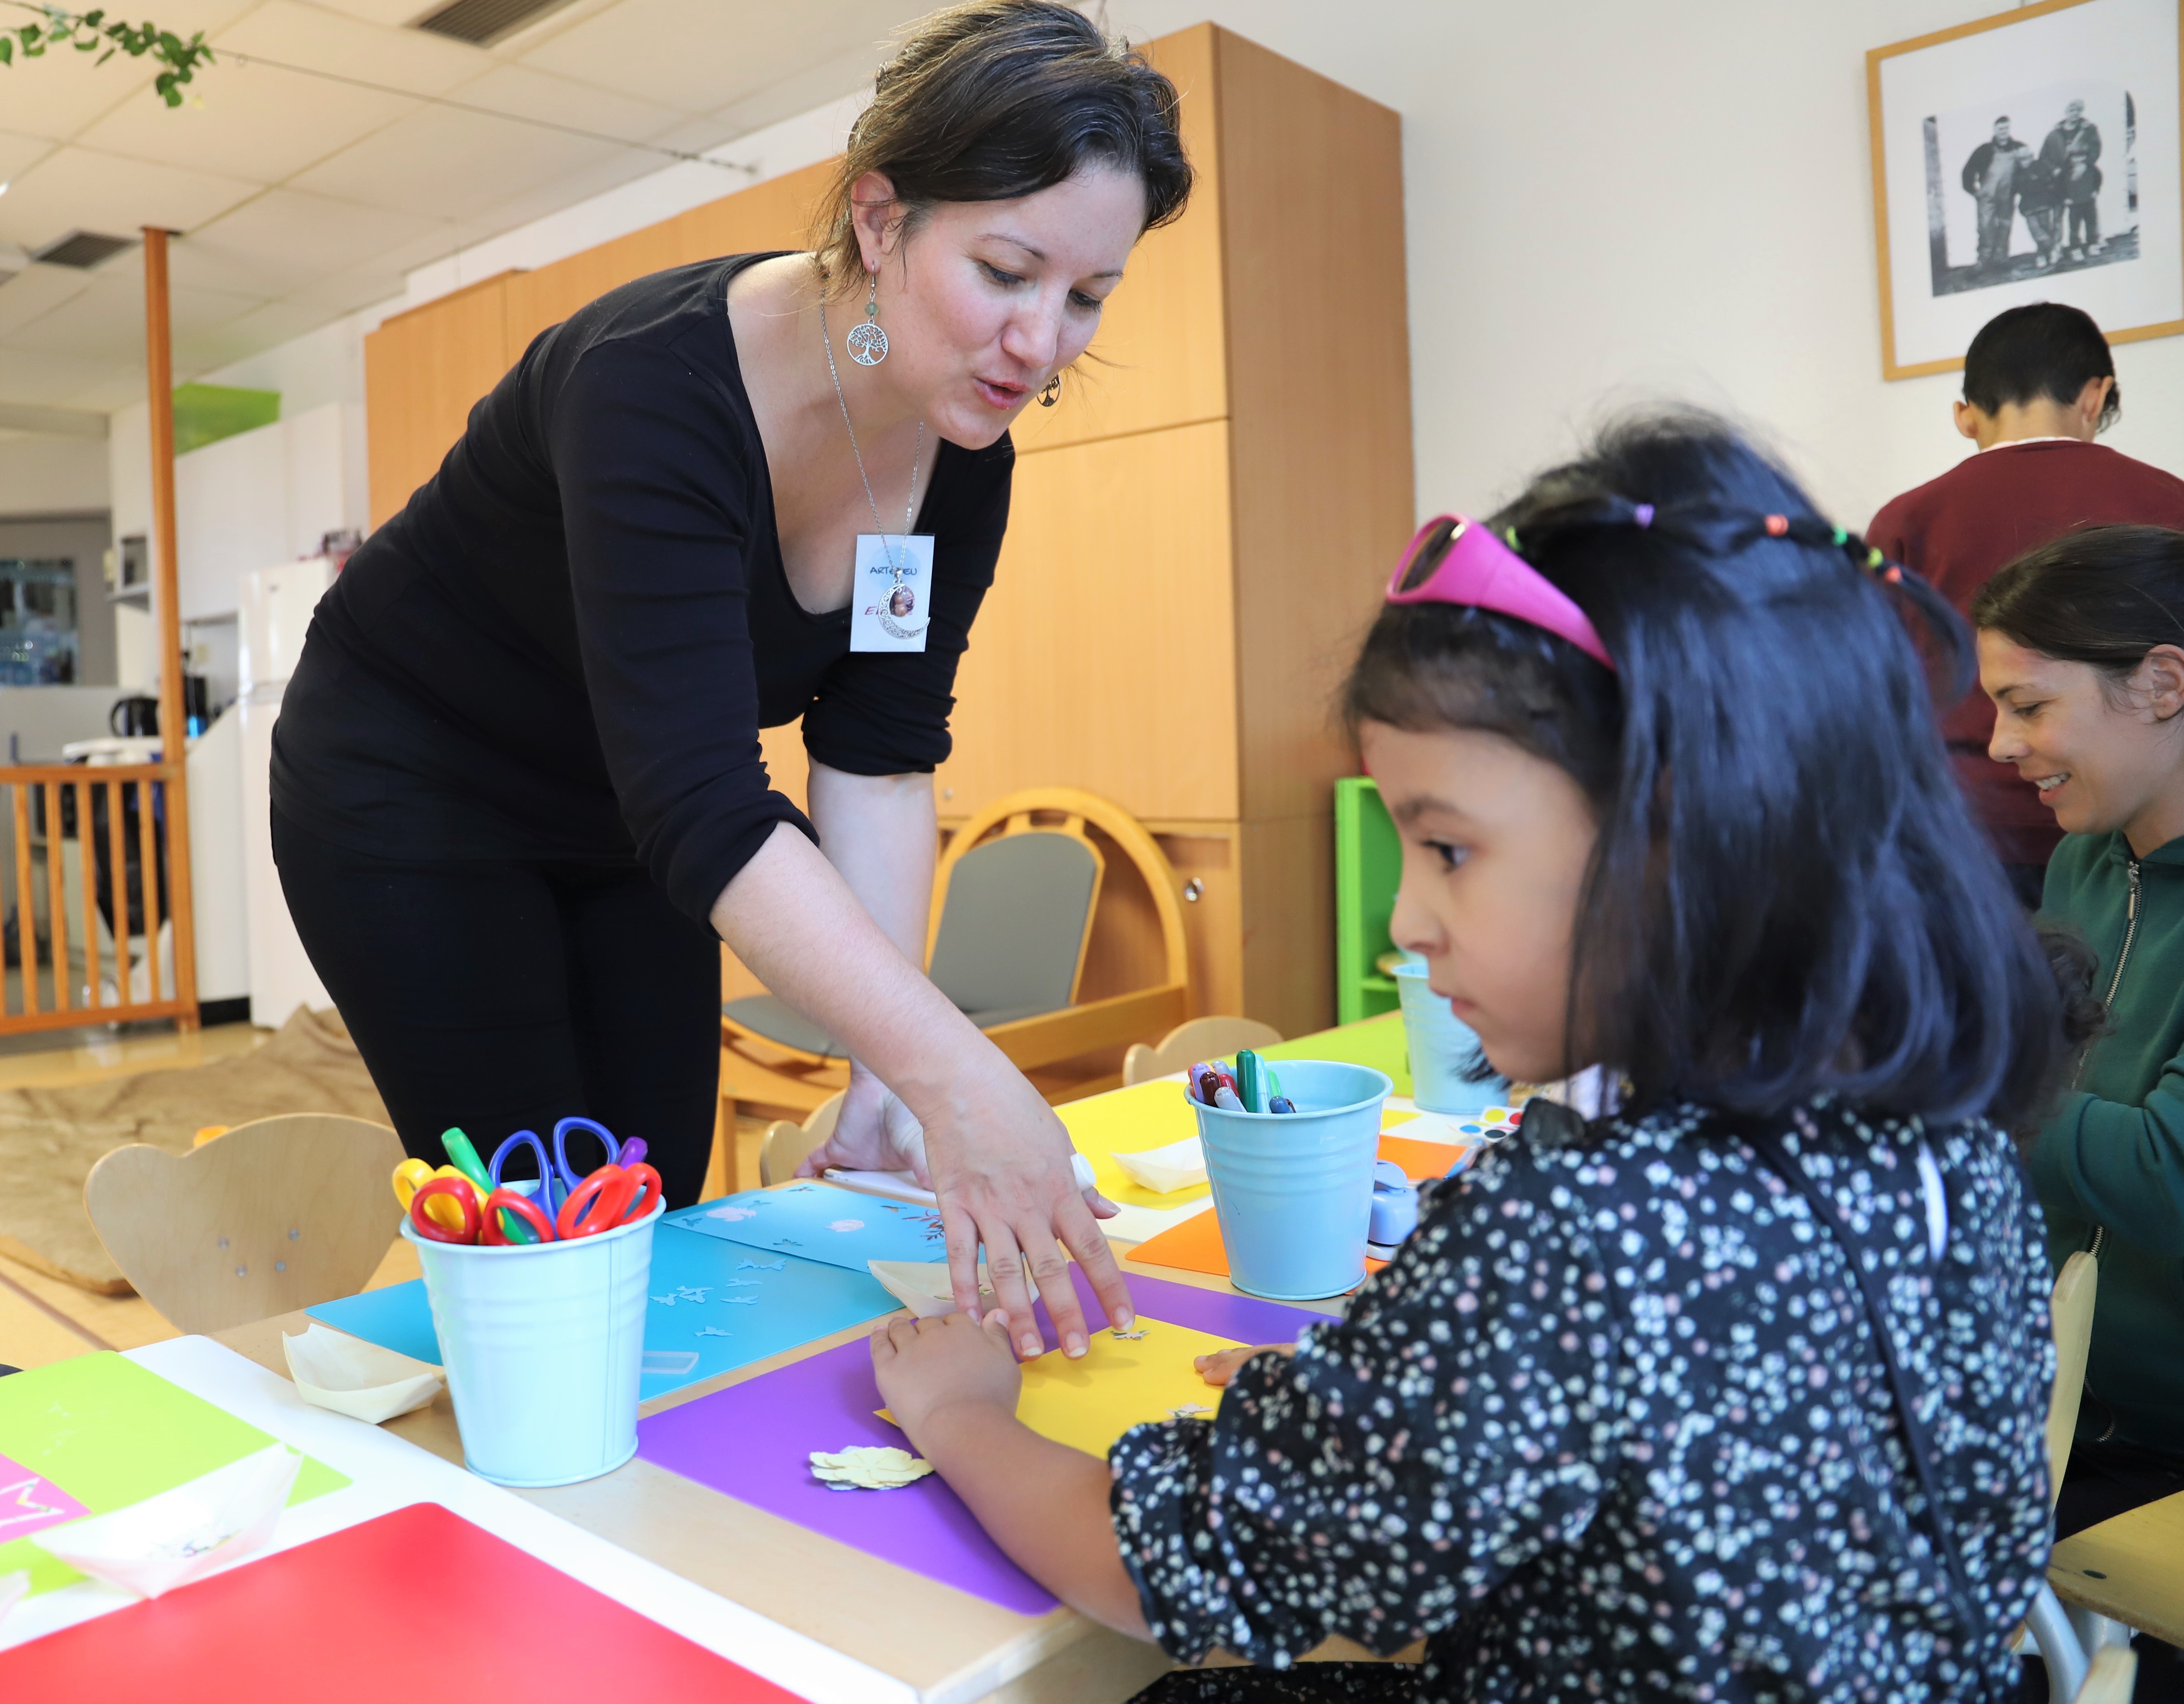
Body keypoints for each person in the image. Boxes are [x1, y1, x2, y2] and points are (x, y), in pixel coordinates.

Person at [868, 413, 2068, 1700]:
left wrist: (961, 1412)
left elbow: (1161, 1567)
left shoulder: (1574, 1231)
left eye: (1446, 848)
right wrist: (1404, 1396)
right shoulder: (1954, 1152)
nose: (1401, 918)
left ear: (1684, 833)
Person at [270, 0, 1191, 1352]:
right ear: (880, 222)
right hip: (412, 789)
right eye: (1006, 270)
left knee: (660, 1194)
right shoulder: (654, 385)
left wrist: (885, 1068)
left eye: (1088, 296)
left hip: (632, 816)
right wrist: (958, 1073)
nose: (1042, 342)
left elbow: (875, 753)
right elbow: (709, 799)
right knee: (551, 1229)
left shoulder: (965, 457)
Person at [1973, 525, 2184, 1540]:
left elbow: (2166, 1170)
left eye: (2026, 705)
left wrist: (1961, 1071)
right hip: (2047, 1409)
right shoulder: (2085, 864)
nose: (1999, 745)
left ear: (2159, 683)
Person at [1869, 302, 2184, 904]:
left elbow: (1877, 688)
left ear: (1965, 416)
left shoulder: (1907, 519)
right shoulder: (2170, 500)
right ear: (2096, 397)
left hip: (1964, 828)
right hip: (2140, 839)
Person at [1962, 116, 2033, 270]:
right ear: (1994, 130)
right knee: (1985, 228)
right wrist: (1974, 191)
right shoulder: (1984, 150)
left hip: (2007, 197)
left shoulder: (2019, 147)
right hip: (1987, 197)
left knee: (2005, 226)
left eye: (2006, 128)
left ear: (2010, 129)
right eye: (2000, 129)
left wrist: (2024, 190)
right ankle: (1983, 262)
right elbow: (1968, 171)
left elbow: (2029, 167)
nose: (2003, 132)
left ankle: (2001, 260)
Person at [2042, 99, 2104, 261]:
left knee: (2091, 214)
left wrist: (2086, 164)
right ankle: (2072, 247)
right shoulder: (2055, 133)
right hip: (2065, 181)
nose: (2074, 113)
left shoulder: (2089, 130)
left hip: (2085, 177)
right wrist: (2054, 170)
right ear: (2066, 111)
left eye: (2078, 110)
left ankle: (2093, 243)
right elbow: (2044, 156)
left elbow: (2096, 149)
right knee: (2072, 217)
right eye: (2071, 110)